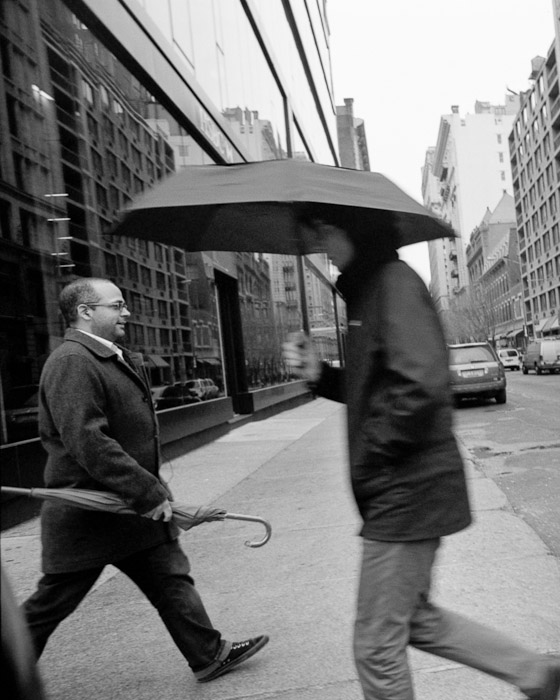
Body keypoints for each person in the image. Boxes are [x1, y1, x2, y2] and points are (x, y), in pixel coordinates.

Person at [282, 217, 560, 700]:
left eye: (324, 229)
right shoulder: (368, 291)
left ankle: (534, 672)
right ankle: (534, 672)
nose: (319, 242)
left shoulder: (393, 283)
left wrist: (374, 451)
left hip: (405, 489)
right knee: (414, 620)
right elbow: (376, 387)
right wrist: (319, 374)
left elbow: (423, 385)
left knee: (376, 646)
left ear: (353, 227)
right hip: (402, 486)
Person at [22, 277, 268, 683]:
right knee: (52, 603)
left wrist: (149, 494)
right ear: (85, 312)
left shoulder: (105, 356)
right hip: (90, 513)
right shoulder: (73, 361)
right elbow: (89, 441)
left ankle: (209, 654)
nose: (127, 312)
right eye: (116, 305)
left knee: (170, 576)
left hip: (130, 509)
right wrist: (148, 492)